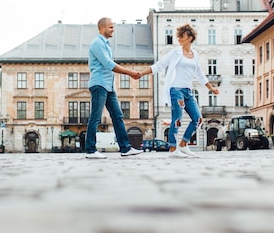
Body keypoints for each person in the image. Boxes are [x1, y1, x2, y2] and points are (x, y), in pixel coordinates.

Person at [138, 24, 219, 158]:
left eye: (182, 36)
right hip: (176, 90)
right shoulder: (175, 52)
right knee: (177, 119)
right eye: (178, 36)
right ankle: (173, 149)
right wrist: (142, 73)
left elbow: (200, 73)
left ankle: (183, 144)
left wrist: (211, 88)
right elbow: (160, 64)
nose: (179, 38)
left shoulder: (196, 55)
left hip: (188, 91)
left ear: (190, 37)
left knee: (197, 119)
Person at [85, 18, 143, 159]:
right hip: (99, 84)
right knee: (96, 117)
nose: (113, 30)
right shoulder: (97, 44)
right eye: (110, 27)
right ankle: (91, 150)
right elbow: (109, 64)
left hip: (108, 85)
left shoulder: (106, 45)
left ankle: (125, 148)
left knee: (117, 116)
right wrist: (130, 73)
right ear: (102, 28)